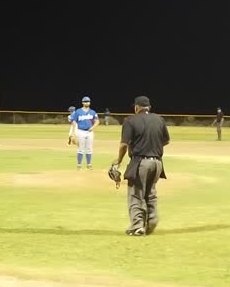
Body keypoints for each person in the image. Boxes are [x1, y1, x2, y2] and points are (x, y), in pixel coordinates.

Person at [111, 95, 170, 236]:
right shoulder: (159, 119)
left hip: (140, 162)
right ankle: (152, 220)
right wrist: (152, 146)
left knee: (136, 194)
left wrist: (118, 160)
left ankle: (137, 226)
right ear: (149, 107)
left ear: (137, 107)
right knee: (151, 193)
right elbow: (166, 141)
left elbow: (124, 144)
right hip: (157, 163)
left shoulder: (130, 120)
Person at [69, 97, 99, 170]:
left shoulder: (92, 112)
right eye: (85, 101)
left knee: (89, 149)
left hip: (90, 132)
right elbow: (74, 121)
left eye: (88, 101)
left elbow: (97, 121)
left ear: (90, 102)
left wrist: (93, 127)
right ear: (82, 102)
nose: (86, 103)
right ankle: (79, 165)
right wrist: (73, 132)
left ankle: (89, 164)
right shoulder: (78, 112)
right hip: (81, 131)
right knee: (80, 149)